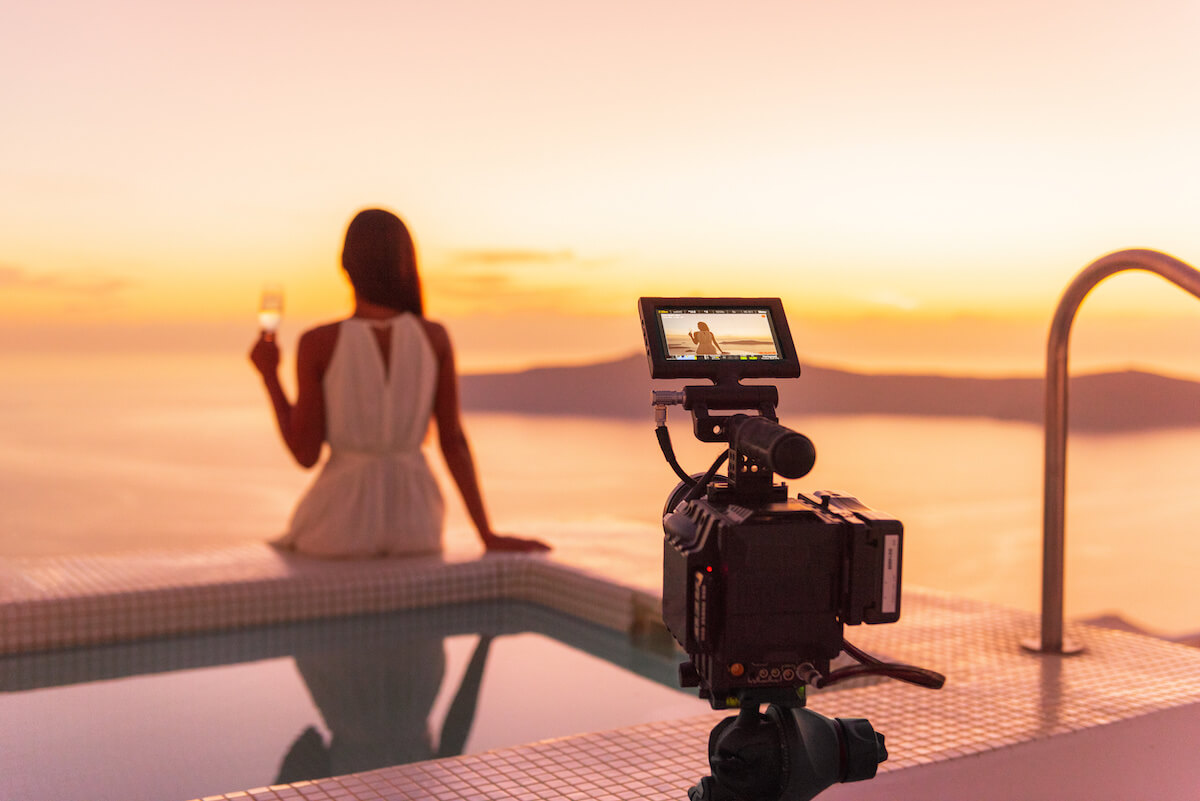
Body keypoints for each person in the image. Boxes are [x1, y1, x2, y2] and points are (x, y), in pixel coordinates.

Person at [249, 208, 549, 556]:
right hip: (416, 524)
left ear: (346, 266)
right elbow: (453, 444)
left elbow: (305, 454)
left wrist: (270, 376)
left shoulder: (318, 343)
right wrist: (487, 534)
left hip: (337, 526)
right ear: (406, 264)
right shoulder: (434, 338)